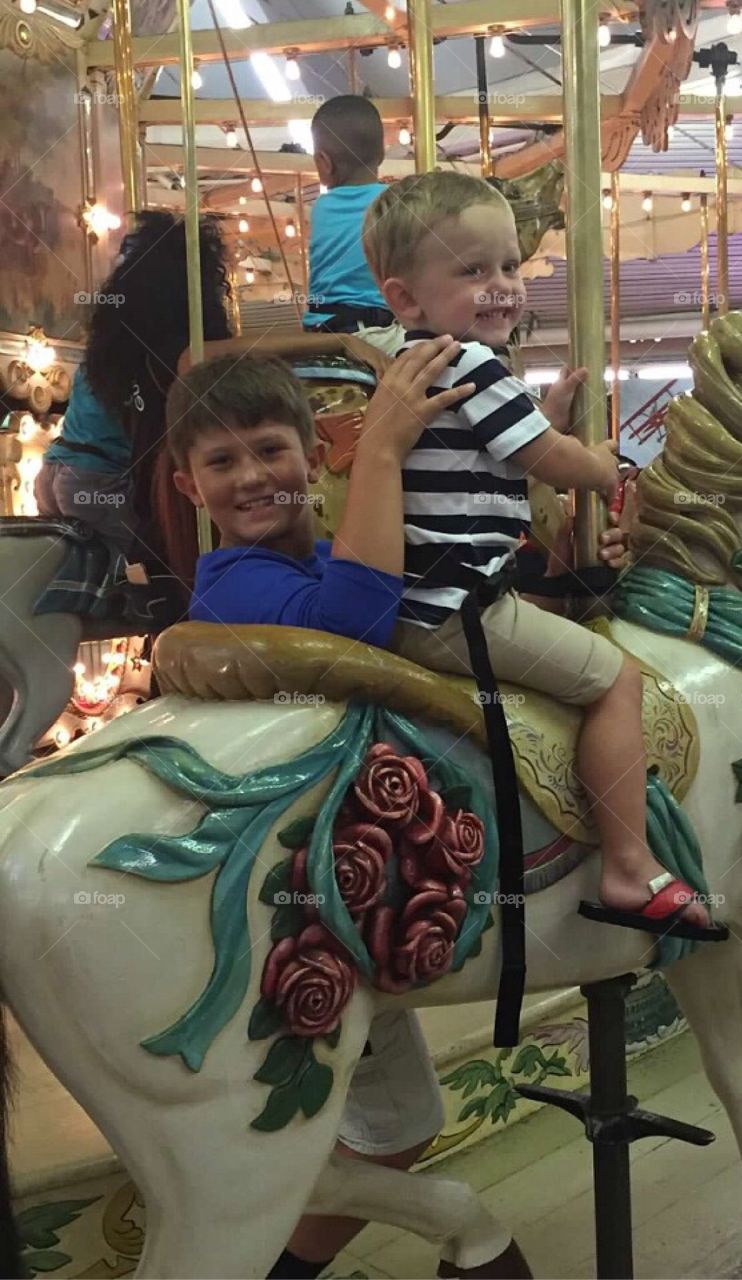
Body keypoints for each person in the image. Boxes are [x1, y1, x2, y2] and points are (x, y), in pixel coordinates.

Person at [166, 343, 633, 1278]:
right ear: (188, 486)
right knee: (310, 1130)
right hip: (289, 889)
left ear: (311, 451)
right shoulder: (235, 583)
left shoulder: (334, 549)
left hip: (355, 883)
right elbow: (360, 627)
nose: (254, 477)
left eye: (271, 450)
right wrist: (382, 451)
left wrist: (572, 567)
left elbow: (438, 613)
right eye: (222, 462)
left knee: (402, 1124)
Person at [362, 169, 710, 931]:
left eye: (511, 267)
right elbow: (554, 463)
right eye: (473, 271)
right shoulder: (471, 363)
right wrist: (602, 460)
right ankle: (627, 866)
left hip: (429, 600)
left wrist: (543, 417)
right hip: (461, 611)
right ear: (407, 299)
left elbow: (507, 448)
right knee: (617, 679)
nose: (501, 287)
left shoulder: (432, 362)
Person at [36, 211, 389, 578]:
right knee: (159, 576)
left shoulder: (117, 342)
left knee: (120, 585)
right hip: (101, 478)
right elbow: (208, 355)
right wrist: (338, 340)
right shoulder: (170, 348)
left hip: (60, 469)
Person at [302, 95, 405, 353]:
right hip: (377, 331)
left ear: (323, 163)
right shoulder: (394, 203)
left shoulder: (321, 208)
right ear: (382, 153)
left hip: (320, 326)